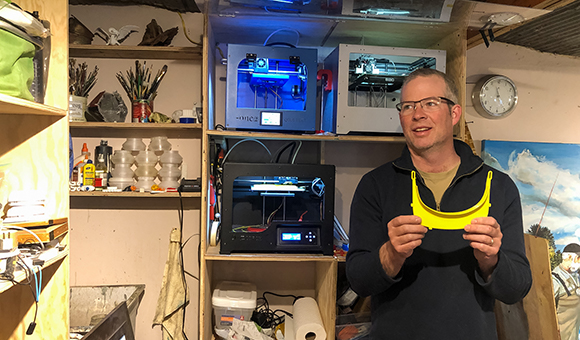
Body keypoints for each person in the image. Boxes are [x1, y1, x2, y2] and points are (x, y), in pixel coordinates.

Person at [345, 68, 532, 339]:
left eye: (430, 103)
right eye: (408, 106)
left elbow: (517, 288)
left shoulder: (499, 187)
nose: (418, 114)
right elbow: (359, 280)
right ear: (401, 116)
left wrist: (491, 261)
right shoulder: (375, 185)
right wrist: (391, 254)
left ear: (454, 114)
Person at [552, 243, 580, 340]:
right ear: (569, 257)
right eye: (578, 258)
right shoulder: (554, 280)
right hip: (560, 336)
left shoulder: (576, 276)